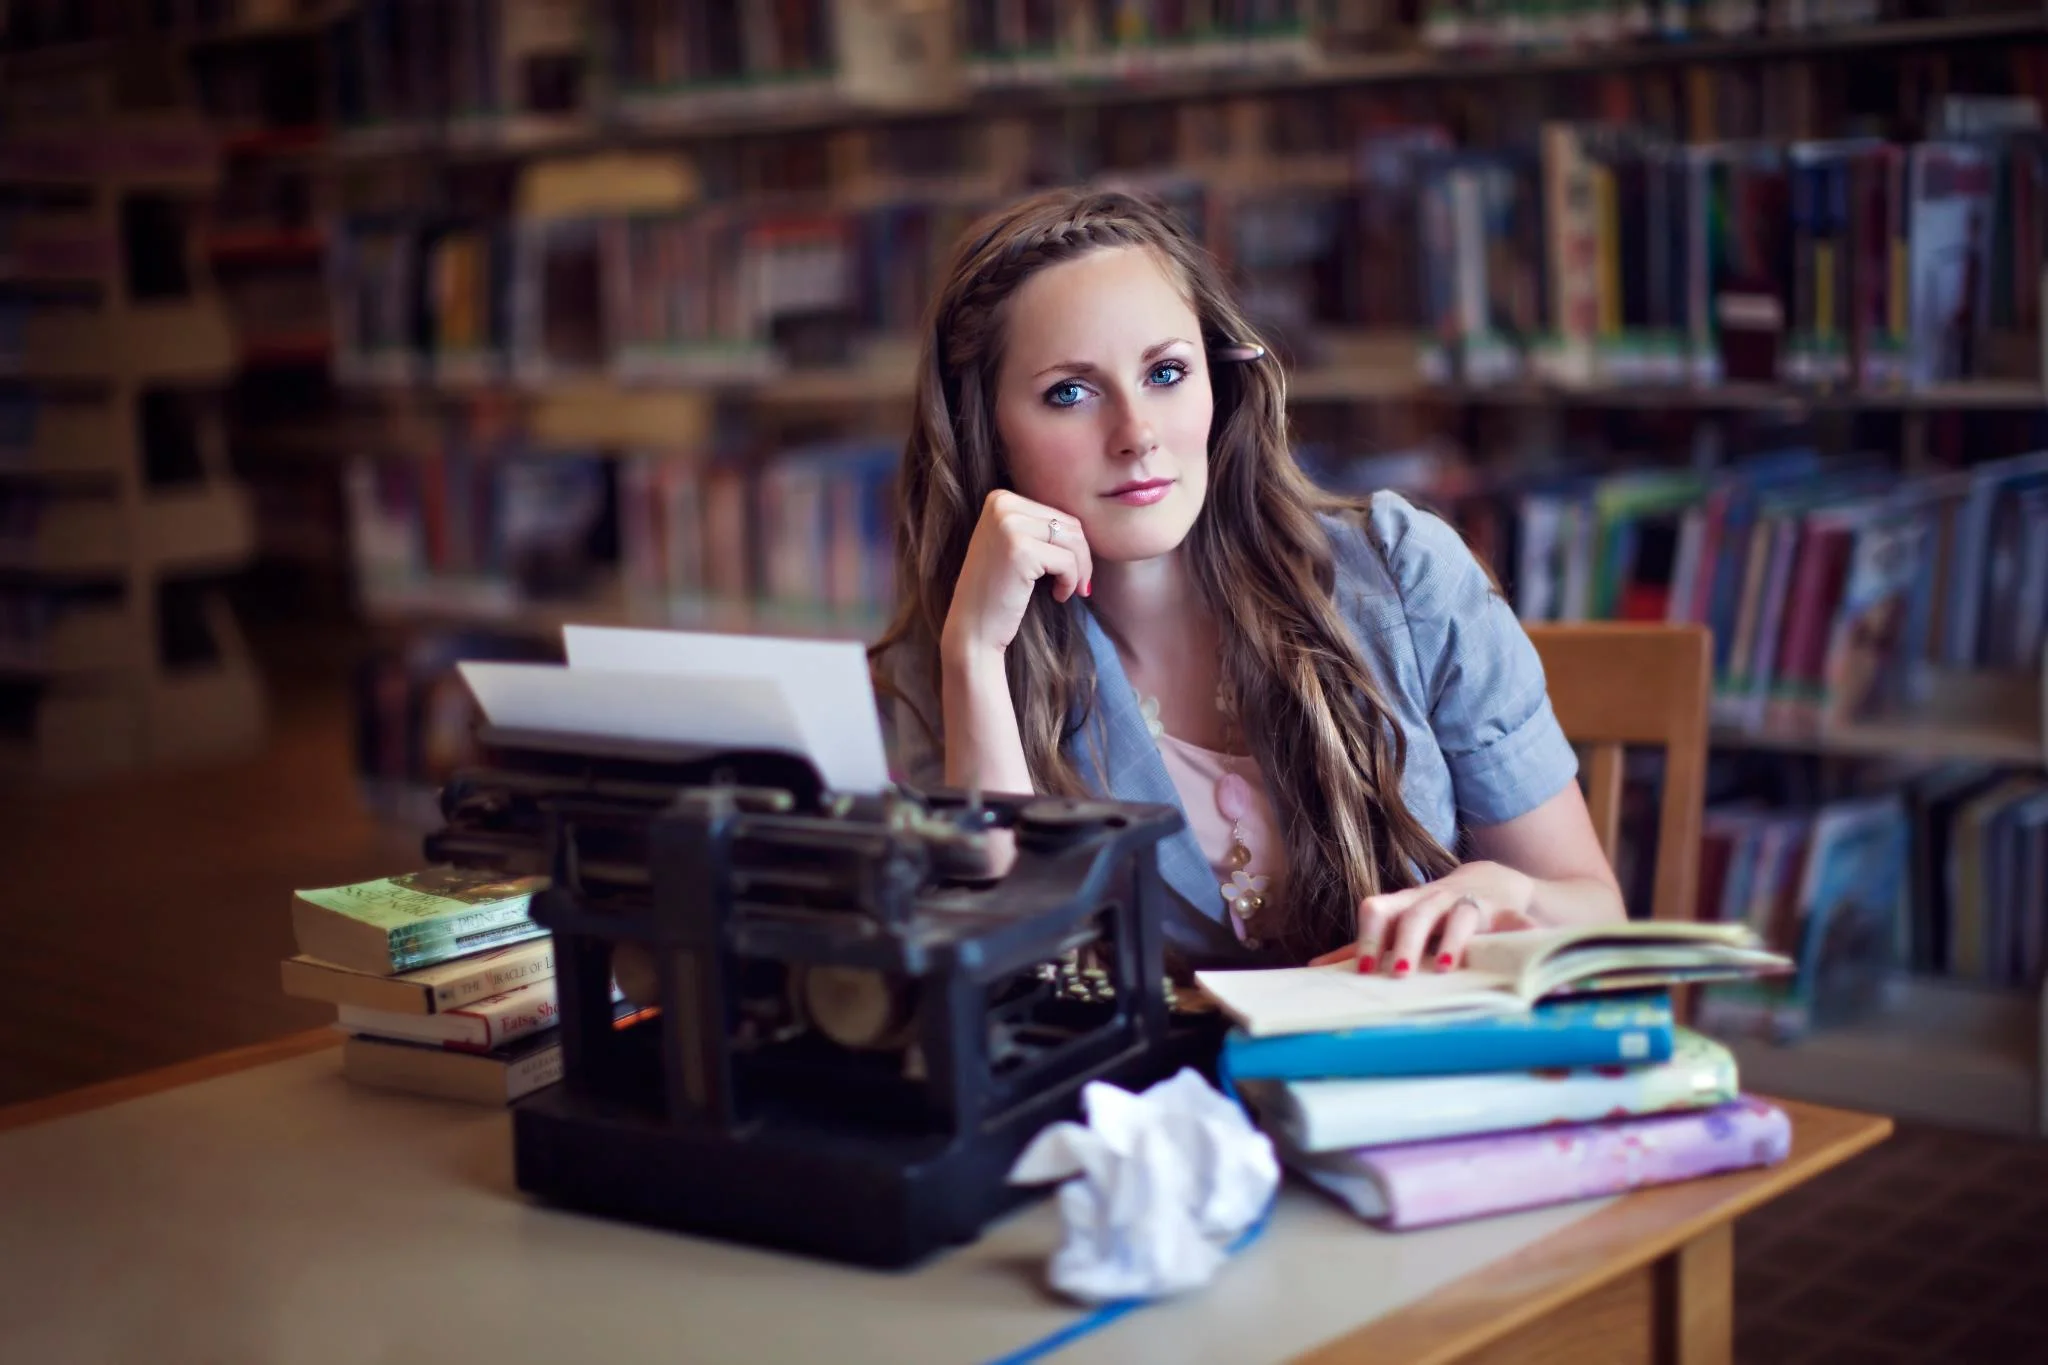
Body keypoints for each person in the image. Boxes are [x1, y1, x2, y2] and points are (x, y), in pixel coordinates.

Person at [867, 186, 1623, 974]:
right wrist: (977, 656)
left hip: (1417, 1083)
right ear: (984, 429)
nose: (1137, 434)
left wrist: (1505, 893)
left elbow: (1597, 919)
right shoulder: (954, 658)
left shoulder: (1404, 575)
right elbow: (999, 993)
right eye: (1070, 392)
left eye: (1166, 372)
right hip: (1153, 1098)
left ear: (1221, 383)